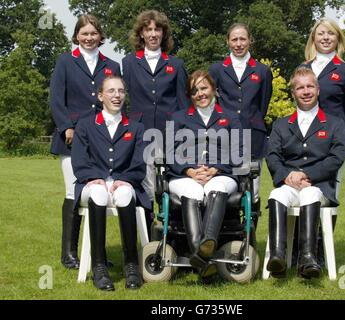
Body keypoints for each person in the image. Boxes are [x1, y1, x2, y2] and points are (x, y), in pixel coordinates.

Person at [50, 14, 121, 270]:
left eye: (93, 33)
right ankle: (69, 253)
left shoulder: (112, 64)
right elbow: (57, 99)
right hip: (71, 140)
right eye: (84, 33)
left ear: (100, 36)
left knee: (98, 193)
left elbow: (116, 100)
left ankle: (96, 254)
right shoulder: (66, 62)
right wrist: (67, 126)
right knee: (74, 193)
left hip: (102, 140)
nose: (89, 38)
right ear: (77, 36)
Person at [265, 67, 345, 279]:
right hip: (290, 185)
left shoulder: (335, 123)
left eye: (310, 86)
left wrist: (305, 175)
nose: (306, 91)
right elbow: (272, 156)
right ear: (293, 93)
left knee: (310, 194)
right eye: (300, 87)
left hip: (319, 187)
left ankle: (308, 258)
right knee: (276, 194)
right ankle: (278, 258)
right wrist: (286, 176)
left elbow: (335, 159)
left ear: (318, 90)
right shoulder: (281, 124)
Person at [71, 76, 150, 291]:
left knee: (125, 194)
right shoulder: (85, 125)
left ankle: (132, 266)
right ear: (100, 96)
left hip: (124, 183)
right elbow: (79, 160)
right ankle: (99, 266)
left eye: (121, 91)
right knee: (98, 193)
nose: (117, 96)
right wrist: (91, 176)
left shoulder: (136, 127)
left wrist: (125, 179)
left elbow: (139, 163)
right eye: (111, 91)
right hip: (92, 184)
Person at [297, 17, 345, 265]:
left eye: (331, 34)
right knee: (301, 192)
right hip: (302, 144)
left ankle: (322, 252)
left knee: (327, 197)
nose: (325, 38)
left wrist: (334, 134)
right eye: (321, 33)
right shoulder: (302, 68)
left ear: (338, 39)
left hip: (333, 146)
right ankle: (299, 250)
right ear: (314, 38)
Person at [167, 70, 243, 277]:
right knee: (192, 190)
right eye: (194, 91)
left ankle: (205, 245)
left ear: (214, 90)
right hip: (185, 176)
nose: (200, 93)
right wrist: (189, 170)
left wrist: (216, 168)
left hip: (221, 174)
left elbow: (239, 152)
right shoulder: (179, 117)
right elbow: (170, 152)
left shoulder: (230, 118)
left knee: (216, 187)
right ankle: (202, 256)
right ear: (190, 95)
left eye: (204, 88)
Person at [122, 10, 189, 239]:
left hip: (170, 133)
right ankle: (150, 237)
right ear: (141, 33)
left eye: (157, 29)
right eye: (148, 29)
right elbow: (124, 99)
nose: (153, 34)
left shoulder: (176, 64)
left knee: (171, 184)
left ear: (163, 33)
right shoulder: (129, 63)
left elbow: (183, 103)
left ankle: (176, 235)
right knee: (146, 184)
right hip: (141, 133)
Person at [209, 23, 273, 212]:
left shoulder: (262, 71)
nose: (238, 43)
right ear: (228, 41)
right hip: (224, 137)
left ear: (250, 41)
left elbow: (262, 105)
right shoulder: (217, 69)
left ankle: (250, 234)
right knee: (226, 185)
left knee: (251, 189)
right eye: (234, 39)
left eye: (242, 39)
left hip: (253, 136)